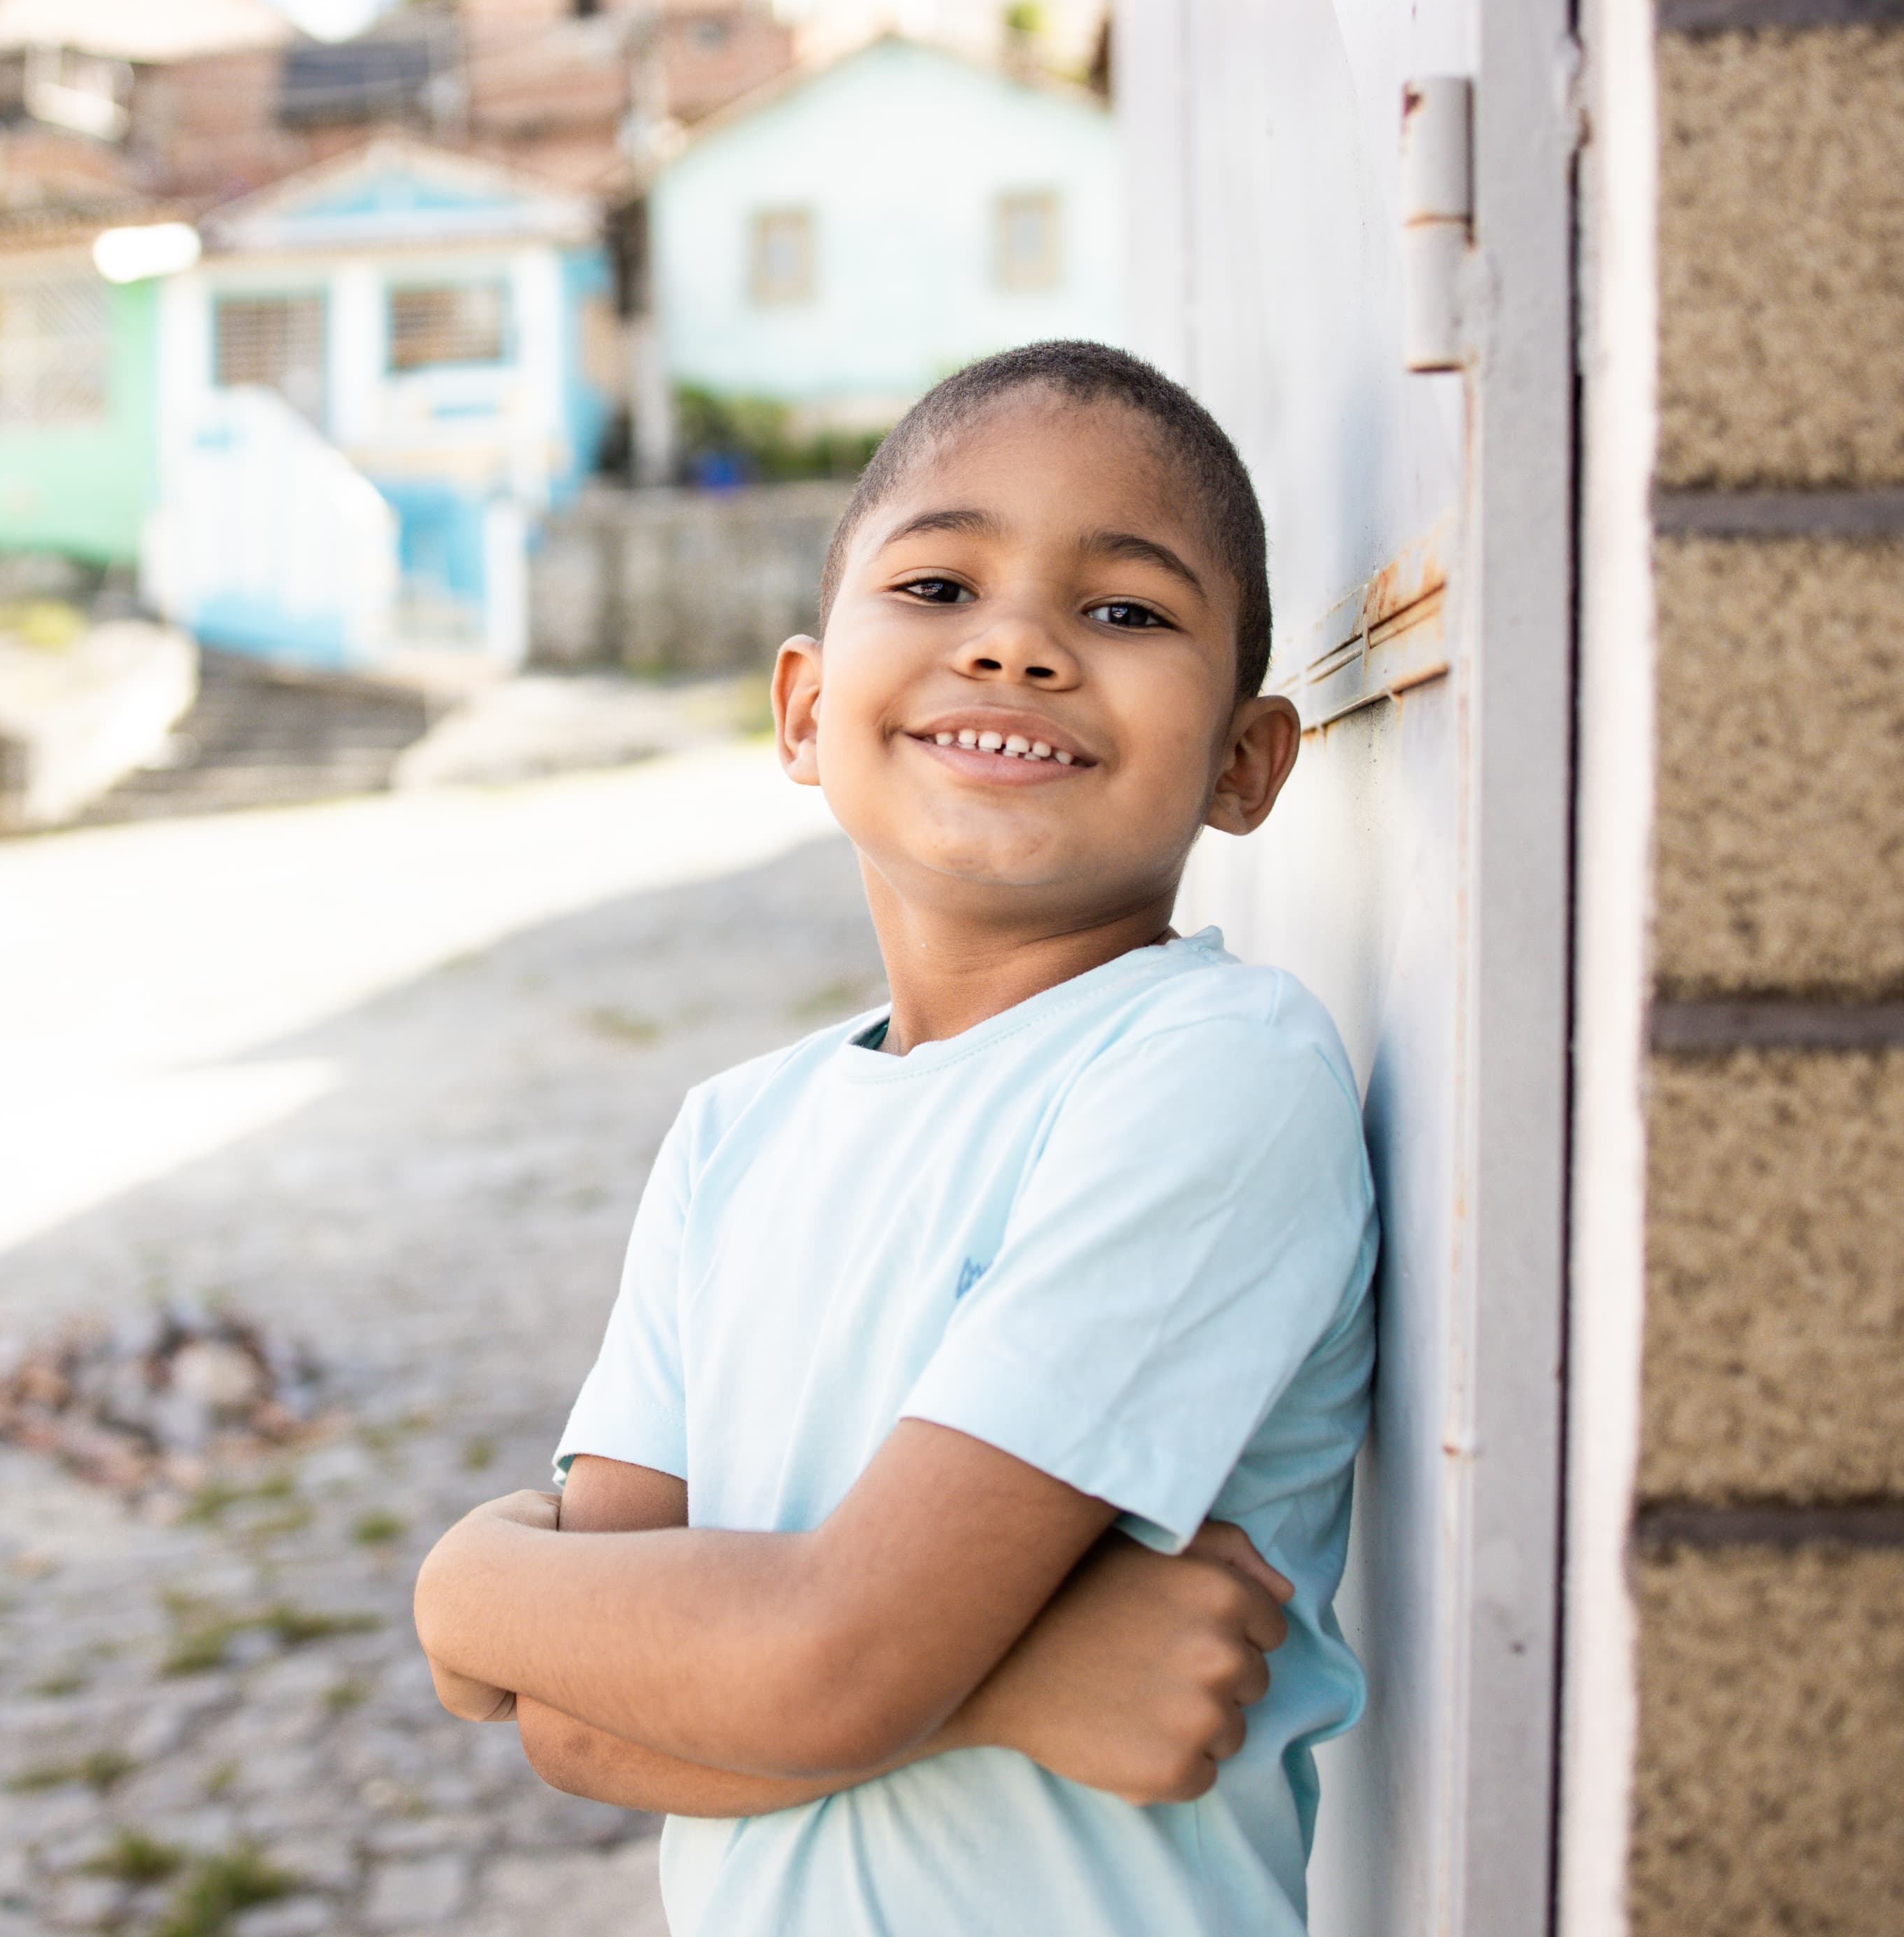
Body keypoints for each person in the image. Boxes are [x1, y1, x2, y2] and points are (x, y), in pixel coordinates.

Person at [411, 341, 1377, 1936]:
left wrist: (480, 1589)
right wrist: (1015, 1683)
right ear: (804, 709)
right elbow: (580, 1724)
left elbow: (819, 1665)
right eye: (937, 587)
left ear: (1244, 762)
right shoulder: (735, 1134)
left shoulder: (1212, 1074)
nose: (1016, 647)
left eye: (1124, 610)